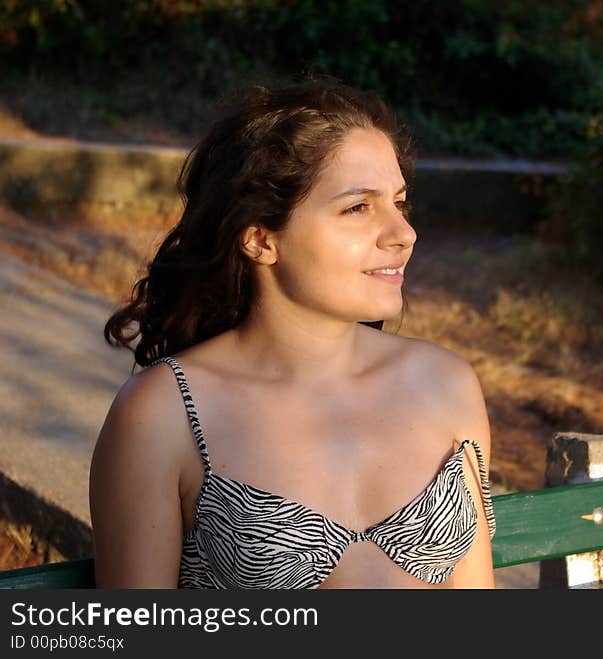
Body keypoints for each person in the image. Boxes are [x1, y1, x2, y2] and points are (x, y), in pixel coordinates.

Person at [88, 75, 497, 589]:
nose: (403, 234)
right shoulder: (163, 412)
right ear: (260, 239)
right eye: (358, 207)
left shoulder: (446, 382)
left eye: (400, 202)